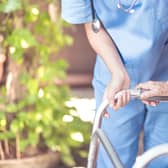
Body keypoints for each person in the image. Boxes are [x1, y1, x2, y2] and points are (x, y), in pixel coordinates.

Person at [61, 1, 168, 167]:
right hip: (113, 66)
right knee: (113, 158)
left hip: (165, 67)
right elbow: (92, 24)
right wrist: (118, 73)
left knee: (162, 159)